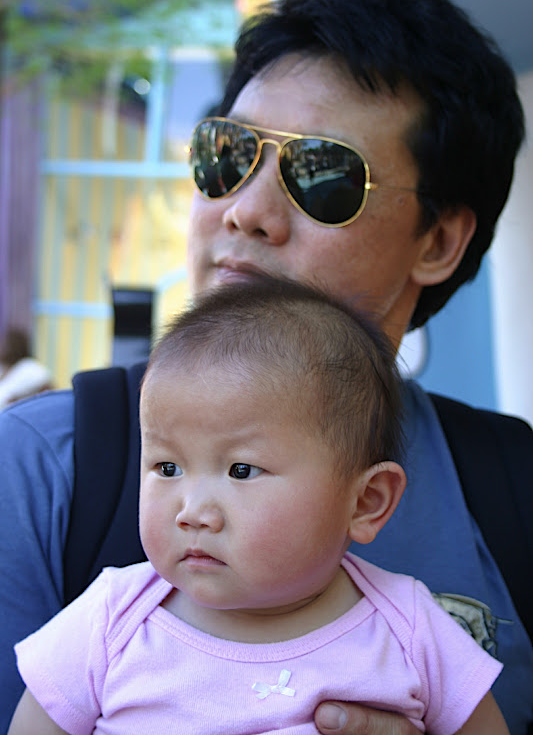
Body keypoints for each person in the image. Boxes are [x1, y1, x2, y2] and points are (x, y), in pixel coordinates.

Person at [0, 0, 532, 735]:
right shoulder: (41, 467)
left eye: (321, 174)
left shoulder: (512, 489)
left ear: (438, 241)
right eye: (228, 153)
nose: (244, 210)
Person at [9, 279, 508, 734]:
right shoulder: (109, 621)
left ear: (365, 502)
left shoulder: (413, 632)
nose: (192, 511)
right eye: (167, 467)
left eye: (241, 471)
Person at [0, 328, 53, 410]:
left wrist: (22, 402)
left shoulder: (30, 367)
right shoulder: (3, 368)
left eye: (4, 344)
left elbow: (49, 391)